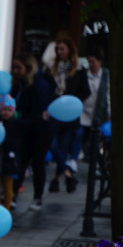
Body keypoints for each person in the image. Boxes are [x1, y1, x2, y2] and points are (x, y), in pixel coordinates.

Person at [44, 34, 89, 193]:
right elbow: (46, 89)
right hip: (54, 111)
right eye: (57, 49)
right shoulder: (51, 67)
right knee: (52, 144)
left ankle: (56, 180)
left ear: (69, 49)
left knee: (62, 147)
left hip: (69, 114)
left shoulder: (78, 69)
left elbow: (86, 91)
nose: (59, 51)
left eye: (62, 48)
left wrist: (73, 103)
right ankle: (69, 176)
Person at [11, 52, 55, 210]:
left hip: (41, 130)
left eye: (19, 67)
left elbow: (39, 113)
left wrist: (21, 122)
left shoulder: (39, 85)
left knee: (37, 163)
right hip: (26, 127)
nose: (15, 70)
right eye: (14, 67)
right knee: (21, 162)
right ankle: (13, 194)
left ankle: (37, 198)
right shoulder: (19, 84)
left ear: (28, 68)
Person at [0, 96, 22, 210]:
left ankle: (6, 209)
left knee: (8, 186)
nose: (6, 112)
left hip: (10, 160)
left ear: (13, 111)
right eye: (4, 110)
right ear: (0, 110)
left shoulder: (16, 124)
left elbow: (19, 141)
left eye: (9, 110)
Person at [77, 48, 110, 163]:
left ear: (100, 61)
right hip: (83, 112)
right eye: (89, 61)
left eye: (93, 62)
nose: (90, 64)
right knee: (79, 134)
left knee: (95, 138)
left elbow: (108, 95)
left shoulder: (106, 76)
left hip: (98, 113)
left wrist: (109, 112)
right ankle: (77, 157)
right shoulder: (84, 75)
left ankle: (93, 159)